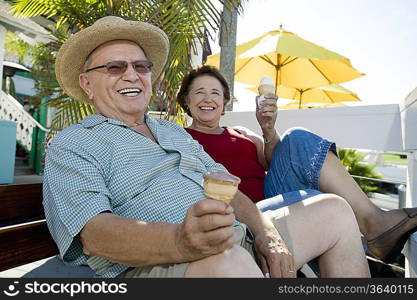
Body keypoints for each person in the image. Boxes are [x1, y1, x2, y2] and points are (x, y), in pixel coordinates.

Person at [43, 16, 370, 278]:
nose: (132, 75)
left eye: (141, 66)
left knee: (335, 212)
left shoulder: (174, 133)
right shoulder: (74, 144)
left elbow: (227, 185)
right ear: (87, 83)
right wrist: (179, 241)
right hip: (162, 263)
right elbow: (94, 234)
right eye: (115, 67)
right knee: (229, 263)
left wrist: (267, 233)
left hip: (239, 238)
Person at [177, 65, 417, 264]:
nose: (208, 98)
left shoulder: (242, 133)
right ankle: (372, 229)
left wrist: (268, 129)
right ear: (186, 100)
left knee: (296, 137)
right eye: (199, 92)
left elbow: (276, 162)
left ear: (224, 101)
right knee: (319, 202)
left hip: (273, 199)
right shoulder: (178, 137)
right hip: (239, 216)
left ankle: (373, 221)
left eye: (215, 93)